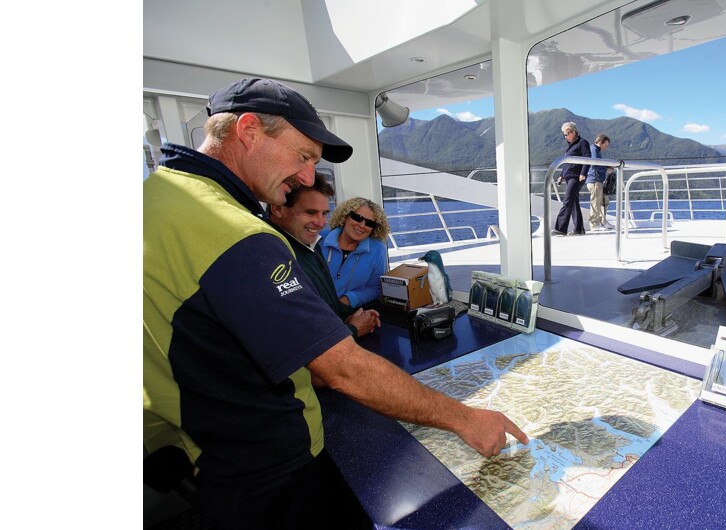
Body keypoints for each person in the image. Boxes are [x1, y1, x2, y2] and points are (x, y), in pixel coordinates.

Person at [143, 77, 528, 529]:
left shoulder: (156, 197)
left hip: (196, 445)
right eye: (303, 156)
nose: (306, 178)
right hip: (263, 466)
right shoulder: (236, 234)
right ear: (248, 131)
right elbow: (340, 368)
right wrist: (465, 418)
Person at [269, 174, 381, 339]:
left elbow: (321, 301)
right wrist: (352, 330)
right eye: (310, 212)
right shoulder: (273, 253)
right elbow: (292, 331)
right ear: (278, 208)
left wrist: (351, 314)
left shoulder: (310, 247)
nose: (320, 223)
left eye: (324, 214)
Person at [318, 197, 390, 308]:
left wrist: (348, 300)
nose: (362, 225)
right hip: (314, 307)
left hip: (349, 309)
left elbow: (376, 288)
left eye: (369, 223)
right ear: (345, 216)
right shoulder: (319, 240)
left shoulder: (377, 249)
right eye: (357, 218)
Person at [551, 122, 592, 236]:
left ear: (574, 132)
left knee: (568, 201)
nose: (565, 137)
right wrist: (562, 175)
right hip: (569, 177)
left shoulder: (582, 143)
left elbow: (587, 157)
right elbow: (567, 163)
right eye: (564, 135)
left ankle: (560, 228)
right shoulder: (570, 147)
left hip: (577, 176)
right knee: (573, 202)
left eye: (567, 134)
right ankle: (579, 229)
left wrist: (583, 173)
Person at [586, 133, 613, 231]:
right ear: (600, 142)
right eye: (605, 145)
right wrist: (606, 168)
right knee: (595, 202)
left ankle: (603, 221)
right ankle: (594, 224)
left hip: (597, 180)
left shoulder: (596, 151)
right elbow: (595, 164)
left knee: (604, 201)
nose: (606, 147)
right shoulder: (594, 150)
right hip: (594, 180)